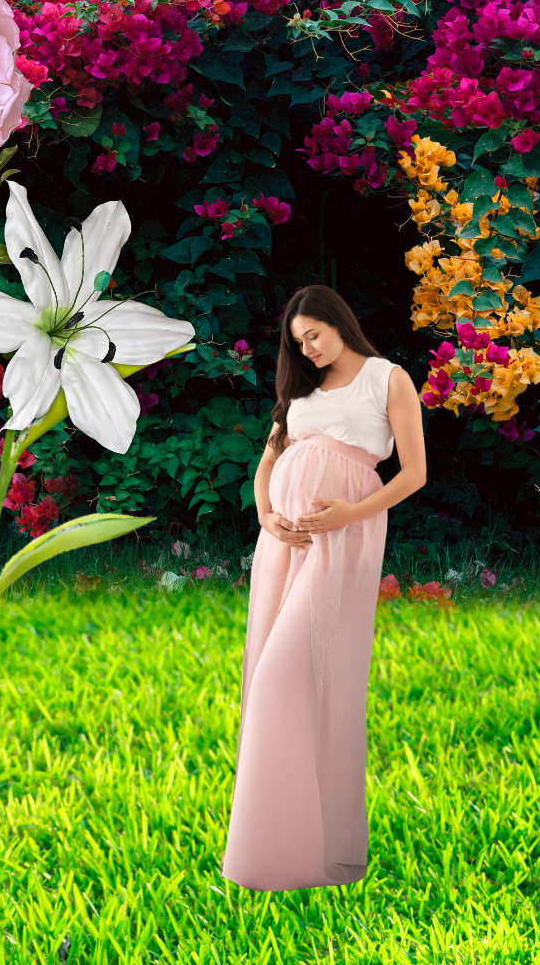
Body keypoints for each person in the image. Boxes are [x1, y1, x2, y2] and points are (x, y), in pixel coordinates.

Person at [221, 285, 427, 892]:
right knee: (271, 673)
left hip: (345, 537)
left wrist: (348, 514)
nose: (306, 349)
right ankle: (281, 851)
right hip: (282, 542)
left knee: (293, 676)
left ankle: (295, 851)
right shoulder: (300, 392)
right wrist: (265, 513)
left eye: (313, 335)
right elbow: (269, 460)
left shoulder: (388, 380)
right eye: (297, 342)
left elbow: (413, 473)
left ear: (340, 322)